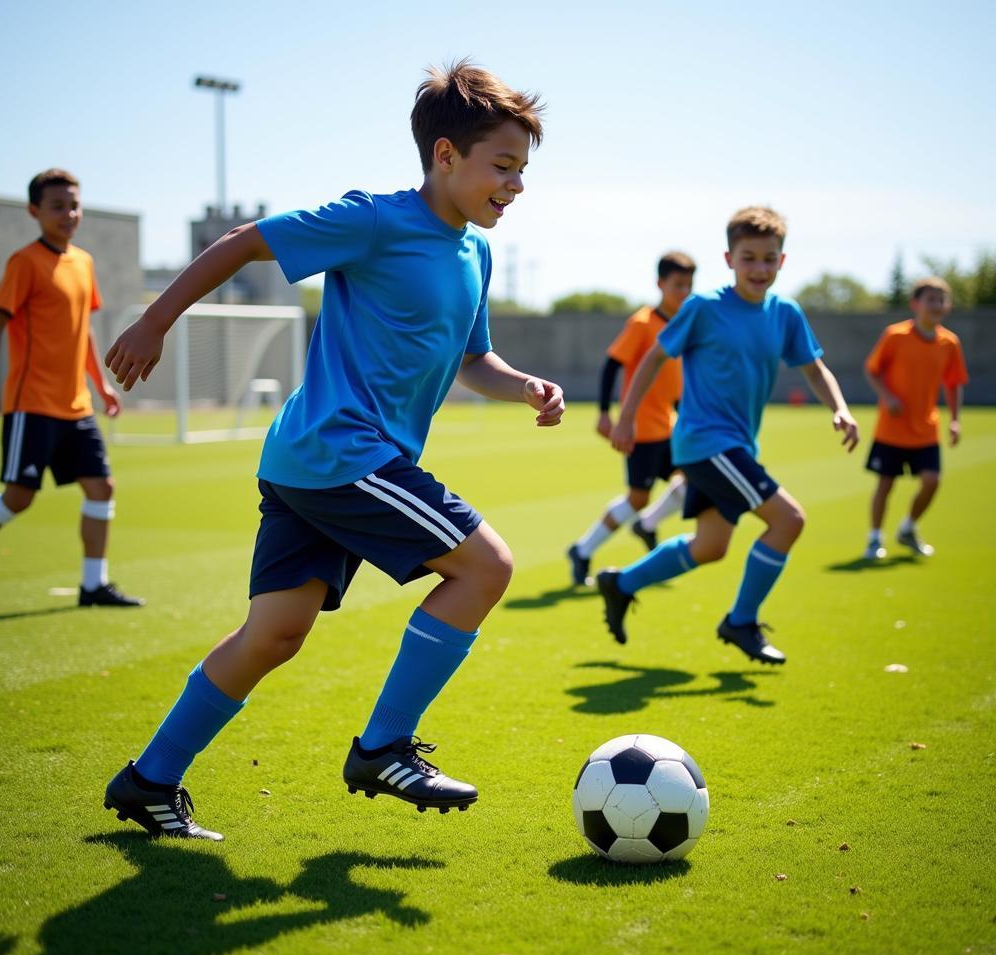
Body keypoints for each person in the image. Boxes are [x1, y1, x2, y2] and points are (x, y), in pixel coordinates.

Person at [101, 60, 562, 840]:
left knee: (275, 635)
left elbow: (471, 360)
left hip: (309, 466)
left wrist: (521, 385)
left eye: (523, 171)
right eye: (503, 166)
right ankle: (383, 748)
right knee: (487, 566)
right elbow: (248, 242)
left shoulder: (474, 255)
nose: (516, 186)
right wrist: (156, 320)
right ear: (446, 156)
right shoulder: (375, 219)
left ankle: (148, 780)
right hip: (343, 454)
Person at [601, 206, 859, 665]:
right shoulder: (704, 308)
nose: (758, 268)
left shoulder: (786, 314)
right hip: (705, 443)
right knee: (788, 521)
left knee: (710, 547)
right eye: (748, 258)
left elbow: (815, 369)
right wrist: (626, 418)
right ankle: (741, 621)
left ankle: (620, 583)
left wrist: (839, 409)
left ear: (782, 261)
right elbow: (654, 359)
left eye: (768, 258)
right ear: (729, 259)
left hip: (736, 446)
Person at [0, 169, 143, 613]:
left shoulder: (83, 262)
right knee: (18, 498)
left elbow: (81, 329)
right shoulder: (24, 262)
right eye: (57, 206)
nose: (69, 214)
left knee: (101, 488)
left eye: (74, 205)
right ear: (34, 212)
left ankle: (93, 585)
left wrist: (100, 384)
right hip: (31, 405)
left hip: (76, 406)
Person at [566, 252, 694, 586]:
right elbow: (612, 364)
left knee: (694, 478)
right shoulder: (642, 323)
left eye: (688, 284)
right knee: (637, 498)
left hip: (669, 426)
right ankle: (582, 550)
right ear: (660, 284)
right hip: (642, 430)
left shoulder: (682, 323)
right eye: (677, 284)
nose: (684, 291)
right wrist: (606, 414)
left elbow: (673, 382)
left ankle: (647, 525)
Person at [862, 276, 968, 559]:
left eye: (941, 299)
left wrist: (955, 420)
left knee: (932, 481)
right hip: (892, 428)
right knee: (885, 484)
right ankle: (874, 538)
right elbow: (872, 370)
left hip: (926, 428)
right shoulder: (895, 335)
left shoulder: (949, 343)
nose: (936, 304)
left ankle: (908, 527)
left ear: (948, 306)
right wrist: (888, 396)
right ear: (915, 304)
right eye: (930, 299)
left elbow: (954, 382)